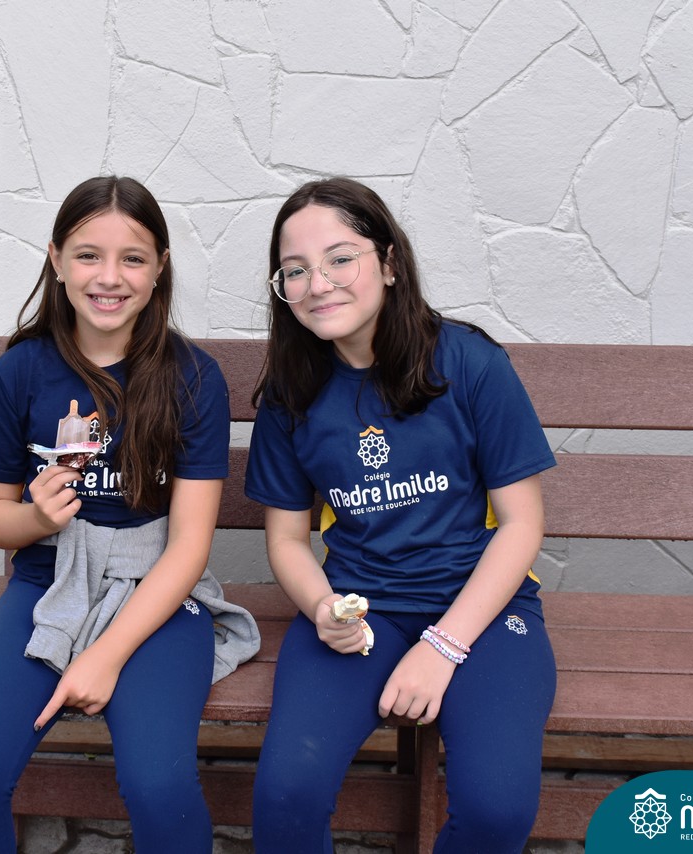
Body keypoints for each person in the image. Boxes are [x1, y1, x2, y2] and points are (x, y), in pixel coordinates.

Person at [0, 175, 258, 853]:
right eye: (88, 255)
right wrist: (36, 519)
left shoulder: (194, 377)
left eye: (132, 258)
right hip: (47, 585)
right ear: (56, 260)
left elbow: (189, 547)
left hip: (159, 594)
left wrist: (104, 658)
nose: (109, 277)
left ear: (159, 267)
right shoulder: (21, 370)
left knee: (159, 786)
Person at [245, 178, 557, 853]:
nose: (318, 284)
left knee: (497, 810)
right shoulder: (292, 395)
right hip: (363, 610)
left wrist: (442, 648)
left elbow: (522, 525)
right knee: (285, 796)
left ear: (389, 263)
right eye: (295, 270)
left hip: (481, 609)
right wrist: (323, 607)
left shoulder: (469, 363)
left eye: (340, 258)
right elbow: (287, 539)